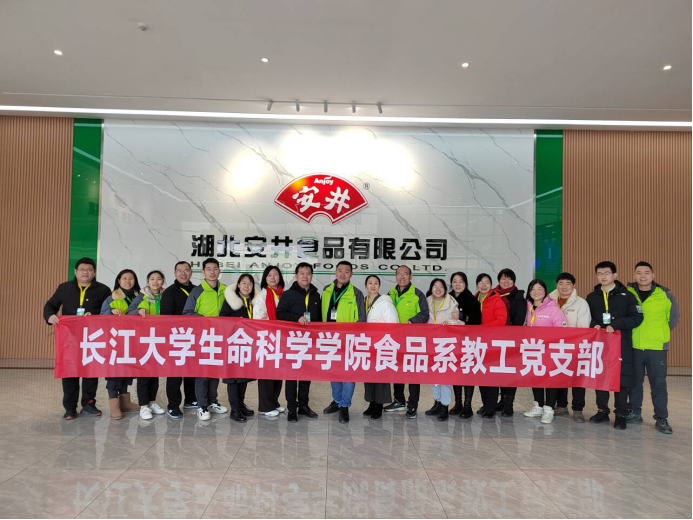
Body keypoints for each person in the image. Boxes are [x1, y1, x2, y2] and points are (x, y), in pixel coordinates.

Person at [44, 257, 111, 420]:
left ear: (94, 272)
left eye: (89, 269)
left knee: (91, 371)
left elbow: (108, 311)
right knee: (70, 370)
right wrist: (50, 316)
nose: (85, 272)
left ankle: (89, 404)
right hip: (70, 338)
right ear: (75, 271)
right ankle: (70, 407)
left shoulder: (103, 290)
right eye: (82, 269)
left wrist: (94, 315)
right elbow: (50, 305)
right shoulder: (64, 288)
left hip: (93, 337)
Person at [586, 261, 643, 430]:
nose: (603, 276)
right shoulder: (592, 296)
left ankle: (620, 414)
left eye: (607, 273)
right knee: (600, 376)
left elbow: (637, 317)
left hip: (620, 343)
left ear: (615, 275)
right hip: (600, 344)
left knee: (621, 378)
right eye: (600, 273)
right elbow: (587, 317)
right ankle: (602, 410)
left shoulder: (627, 295)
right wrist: (593, 324)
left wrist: (617, 324)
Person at [626, 262, 680, 434]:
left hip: (657, 347)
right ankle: (635, 413)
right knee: (634, 383)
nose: (643, 276)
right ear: (634, 275)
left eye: (646, 272)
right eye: (639, 272)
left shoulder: (665, 294)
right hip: (634, 346)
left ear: (653, 275)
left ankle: (661, 418)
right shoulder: (628, 293)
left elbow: (673, 319)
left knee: (658, 385)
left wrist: (659, 334)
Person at [183, 258, 229, 421]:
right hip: (202, 338)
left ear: (219, 271)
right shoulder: (197, 291)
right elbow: (187, 313)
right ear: (203, 272)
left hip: (220, 337)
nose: (212, 272)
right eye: (208, 269)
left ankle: (212, 401)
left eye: (215, 268)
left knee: (215, 371)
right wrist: (203, 319)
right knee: (203, 373)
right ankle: (202, 406)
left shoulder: (226, 290)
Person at [276, 262, 322, 423]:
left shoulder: (316, 295)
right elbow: (279, 314)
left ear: (311, 276)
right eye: (302, 273)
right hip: (292, 342)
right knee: (291, 376)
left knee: (306, 375)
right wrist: (296, 318)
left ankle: (303, 406)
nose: (305, 276)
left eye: (308, 273)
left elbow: (319, 319)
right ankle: (291, 409)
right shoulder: (288, 294)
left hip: (309, 342)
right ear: (296, 276)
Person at [322, 261, 367, 424]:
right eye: (340, 270)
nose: (343, 274)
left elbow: (361, 319)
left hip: (349, 341)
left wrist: (354, 338)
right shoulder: (326, 290)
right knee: (333, 372)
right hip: (330, 339)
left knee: (348, 374)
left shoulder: (356, 293)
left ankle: (344, 405)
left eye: (346, 271)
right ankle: (337, 400)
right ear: (335, 272)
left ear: (351, 274)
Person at [385, 265, 430, 419]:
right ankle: (399, 400)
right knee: (397, 370)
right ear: (395, 277)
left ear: (411, 277)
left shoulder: (417, 294)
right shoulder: (389, 294)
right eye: (399, 274)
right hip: (395, 340)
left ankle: (412, 405)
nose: (402, 277)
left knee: (412, 373)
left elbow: (425, 314)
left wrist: (412, 320)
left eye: (405, 274)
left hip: (412, 340)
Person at [522, 279, 568, 424]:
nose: (536, 292)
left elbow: (562, 332)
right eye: (532, 289)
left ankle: (549, 409)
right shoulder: (527, 308)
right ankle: (538, 406)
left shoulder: (554, 310)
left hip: (550, 351)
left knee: (550, 379)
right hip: (533, 349)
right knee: (535, 377)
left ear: (545, 291)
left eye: (539, 289)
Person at [549, 272, 592, 422]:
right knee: (559, 374)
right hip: (554, 346)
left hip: (575, 346)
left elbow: (584, 327)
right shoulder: (549, 301)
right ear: (556, 285)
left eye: (568, 284)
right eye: (561, 283)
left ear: (573, 286)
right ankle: (561, 406)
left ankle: (578, 409)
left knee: (577, 378)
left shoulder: (581, 303)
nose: (564, 287)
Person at [101, 269, 141, 420]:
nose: (128, 281)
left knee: (126, 370)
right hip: (115, 340)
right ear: (119, 281)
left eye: (131, 278)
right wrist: (111, 311)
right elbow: (101, 316)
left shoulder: (140, 297)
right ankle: (114, 405)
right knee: (114, 373)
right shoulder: (111, 298)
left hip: (132, 340)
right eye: (124, 278)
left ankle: (125, 402)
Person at [126, 270, 167, 420]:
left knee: (155, 373)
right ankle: (143, 406)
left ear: (163, 281)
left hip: (160, 339)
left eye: (159, 279)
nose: (155, 282)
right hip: (143, 339)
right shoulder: (141, 296)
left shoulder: (166, 296)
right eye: (152, 279)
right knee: (143, 374)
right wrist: (138, 311)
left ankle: (152, 402)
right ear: (148, 281)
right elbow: (128, 312)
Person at [160, 261, 198, 418]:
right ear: (175, 273)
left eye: (186, 270)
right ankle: (173, 405)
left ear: (191, 272)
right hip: (176, 337)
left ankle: (191, 399)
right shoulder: (169, 292)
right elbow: (165, 318)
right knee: (175, 374)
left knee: (192, 370)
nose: (183, 273)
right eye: (179, 271)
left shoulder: (197, 290)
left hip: (194, 336)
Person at [219, 273, 258, 423]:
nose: (247, 286)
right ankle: (234, 409)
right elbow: (223, 319)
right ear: (238, 285)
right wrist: (238, 323)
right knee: (233, 378)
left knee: (244, 376)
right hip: (233, 344)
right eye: (244, 283)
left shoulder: (254, 302)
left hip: (248, 344)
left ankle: (241, 405)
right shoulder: (231, 300)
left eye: (250, 283)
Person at [424, 278, 464, 422]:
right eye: (435, 286)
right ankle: (437, 402)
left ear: (445, 289)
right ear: (431, 289)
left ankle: (444, 407)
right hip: (431, 345)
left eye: (441, 287)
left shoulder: (452, 302)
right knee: (433, 377)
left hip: (446, 346)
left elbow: (460, 323)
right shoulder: (426, 302)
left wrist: (451, 322)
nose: (438, 289)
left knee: (445, 378)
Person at [363, 275, 399, 420]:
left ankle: (379, 405)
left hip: (382, 344)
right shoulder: (364, 301)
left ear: (379, 286)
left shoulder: (385, 302)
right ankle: (371, 402)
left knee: (381, 376)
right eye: (370, 283)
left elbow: (393, 324)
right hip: (367, 344)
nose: (373, 286)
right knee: (369, 375)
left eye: (376, 283)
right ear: (366, 285)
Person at [253, 266, 286, 418]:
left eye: (275, 275)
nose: (273, 278)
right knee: (266, 373)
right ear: (265, 278)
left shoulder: (283, 294)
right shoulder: (262, 295)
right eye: (269, 275)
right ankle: (264, 406)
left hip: (280, 338)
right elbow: (258, 318)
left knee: (278, 371)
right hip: (266, 338)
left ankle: (274, 402)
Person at [448, 271, 482, 418]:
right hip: (452, 342)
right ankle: (458, 404)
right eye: (454, 281)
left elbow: (477, 319)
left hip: (468, 341)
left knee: (467, 373)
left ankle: (467, 406)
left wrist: (462, 317)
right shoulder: (448, 298)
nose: (457, 284)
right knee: (455, 373)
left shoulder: (471, 299)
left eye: (460, 281)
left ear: (466, 284)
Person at [474, 273, 508, 418]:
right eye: (481, 282)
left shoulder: (496, 299)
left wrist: (482, 328)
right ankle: (485, 404)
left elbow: (501, 320)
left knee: (491, 376)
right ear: (477, 285)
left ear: (491, 285)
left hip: (493, 343)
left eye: (487, 282)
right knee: (481, 375)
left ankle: (491, 408)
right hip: (477, 343)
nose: (484, 285)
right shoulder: (473, 299)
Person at [494, 268, 526, 416]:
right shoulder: (493, 295)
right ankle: (502, 400)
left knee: (511, 372)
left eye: (509, 279)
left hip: (513, 341)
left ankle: (509, 404)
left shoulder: (519, 298)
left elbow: (519, 320)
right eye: (503, 278)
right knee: (500, 371)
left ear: (514, 281)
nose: (506, 281)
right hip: (496, 341)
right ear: (499, 281)